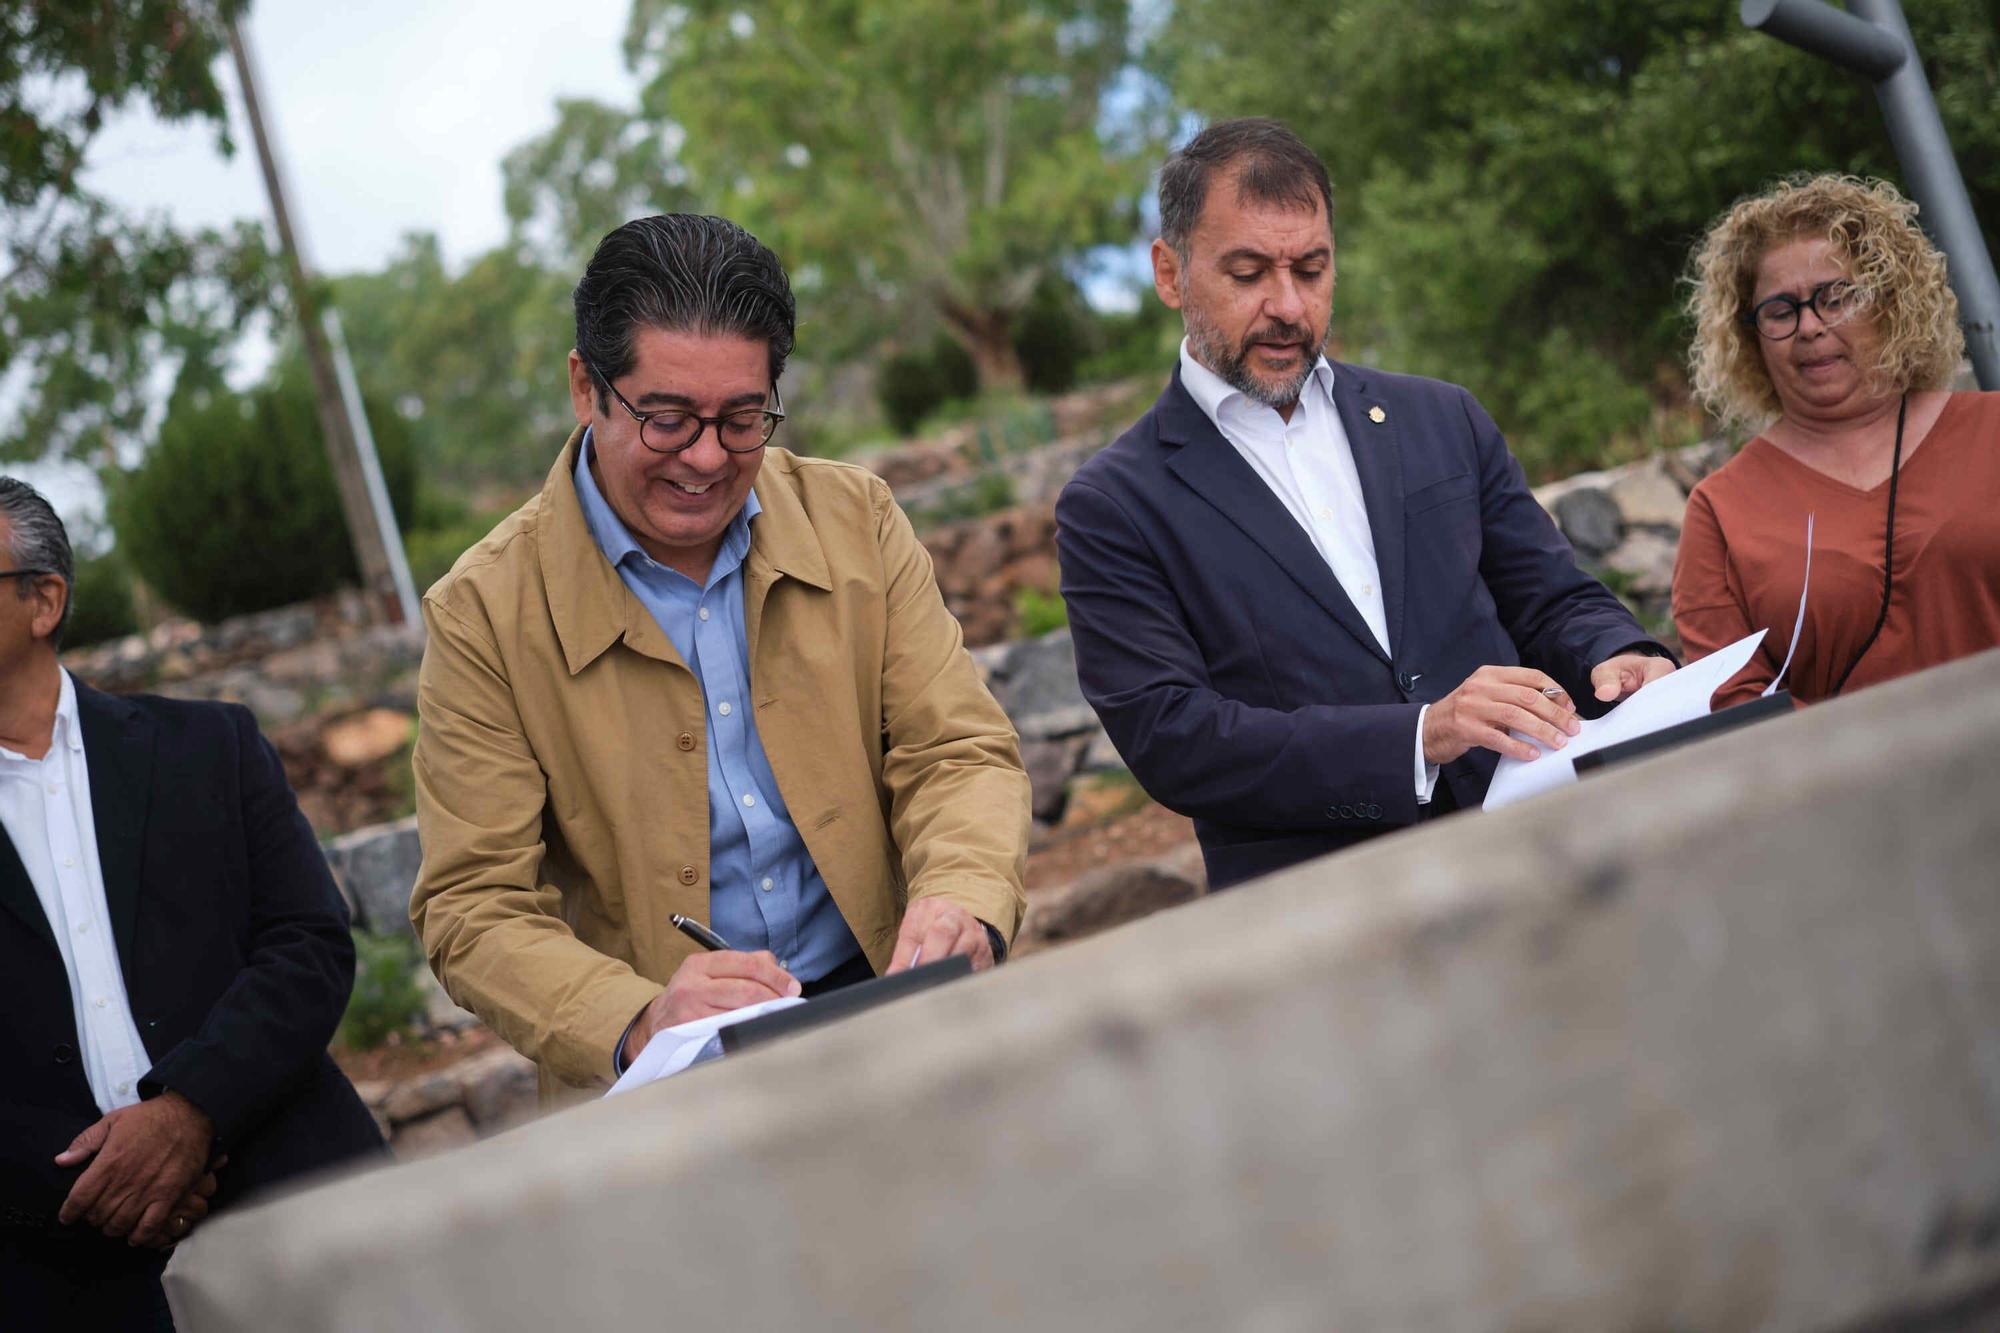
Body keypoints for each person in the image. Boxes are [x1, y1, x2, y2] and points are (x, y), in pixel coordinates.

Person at [411, 214, 1030, 1104]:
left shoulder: (857, 519)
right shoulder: (482, 615)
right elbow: (473, 904)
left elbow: (957, 751)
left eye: (744, 419)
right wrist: (636, 1016)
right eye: (666, 420)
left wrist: (963, 897)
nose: (705, 457)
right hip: (677, 1068)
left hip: (898, 999)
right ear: (587, 387)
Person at [1055, 118, 1674, 890]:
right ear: (1169, 272)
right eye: (1248, 274)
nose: (1288, 305)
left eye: (1311, 270)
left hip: (1546, 859)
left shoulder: (1442, 417)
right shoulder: (1114, 505)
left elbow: (1550, 599)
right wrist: (1420, 735)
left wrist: (1621, 654)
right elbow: (1176, 737)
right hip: (1329, 917)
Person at [0, 480, 385, 1330]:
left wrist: (190, 1109)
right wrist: (95, 1186)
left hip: (303, 1211)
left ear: (42, 601)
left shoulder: (208, 746)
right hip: (54, 1275)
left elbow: (309, 946)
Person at [1674, 173, 2000, 707]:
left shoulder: (1993, 432)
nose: (1809, 326)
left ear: (1892, 302)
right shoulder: (1720, 512)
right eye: (1780, 310)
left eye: (1836, 296)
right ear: (1749, 336)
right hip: (1853, 786)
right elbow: (1733, 706)